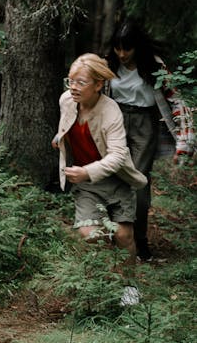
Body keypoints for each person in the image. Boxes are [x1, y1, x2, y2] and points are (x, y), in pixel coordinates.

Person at [52, 53, 148, 301]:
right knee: (89, 234)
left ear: (98, 84)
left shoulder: (110, 110)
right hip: (86, 184)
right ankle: (104, 284)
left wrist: (88, 171)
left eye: (81, 82)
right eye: (70, 81)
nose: (73, 87)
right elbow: (66, 125)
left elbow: (117, 155)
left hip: (115, 179)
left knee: (123, 234)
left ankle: (129, 286)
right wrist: (60, 140)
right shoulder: (66, 100)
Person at [106, 20, 194, 261]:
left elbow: (175, 98)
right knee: (113, 175)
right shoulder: (109, 64)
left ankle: (140, 242)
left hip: (145, 124)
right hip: (115, 120)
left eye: (127, 49)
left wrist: (186, 137)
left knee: (138, 180)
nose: (122, 54)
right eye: (118, 48)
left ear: (138, 47)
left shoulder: (152, 65)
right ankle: (116, 236)